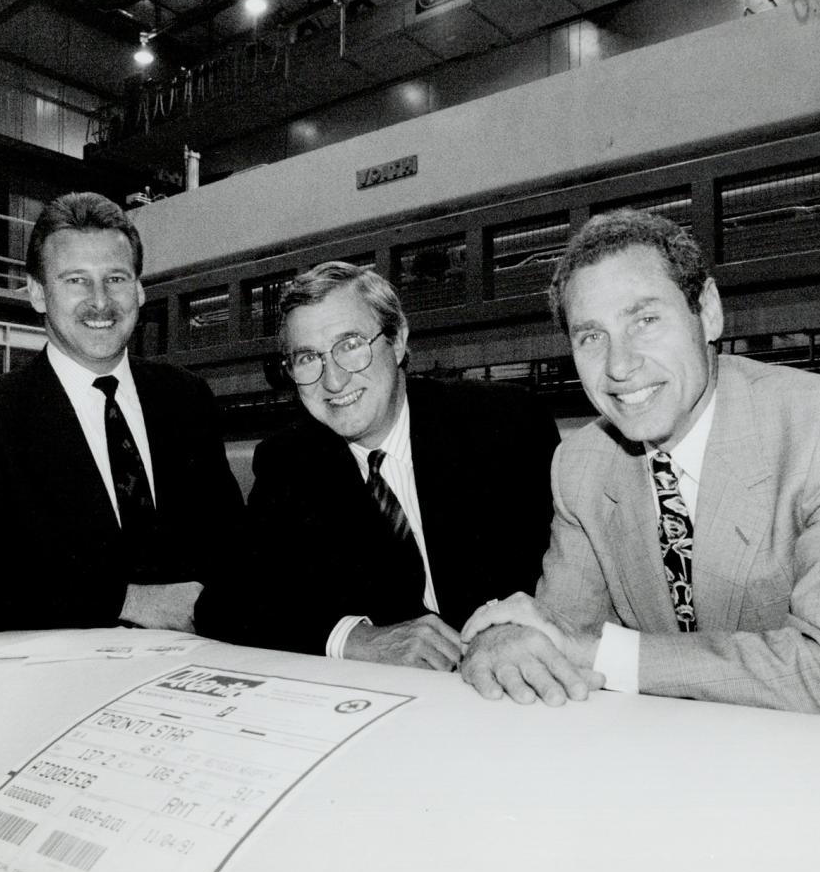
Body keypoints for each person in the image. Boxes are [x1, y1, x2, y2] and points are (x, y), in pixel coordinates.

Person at [460, 210, 820, 716]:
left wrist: (598, 652)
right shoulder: (580, 465)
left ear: (708, 311)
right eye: (591, 337)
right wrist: (506, 638)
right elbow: (557, 636)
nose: (620, 367)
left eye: (644, 320)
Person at [195, 261, 560, 670]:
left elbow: (566, 585)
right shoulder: (291, 461)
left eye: (350, 345)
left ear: (398, 340)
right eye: (307, 358)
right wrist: (354, 638)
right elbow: (223, 604)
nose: (332, 381)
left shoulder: (504, 425)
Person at [0, 192, 243, 641]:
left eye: (115, 278)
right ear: (36, 293)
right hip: (58, 695)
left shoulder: (186, 400)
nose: (100, 302)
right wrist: (128, 600)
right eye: (76, 280)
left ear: (140, 288)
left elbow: (234, 549)